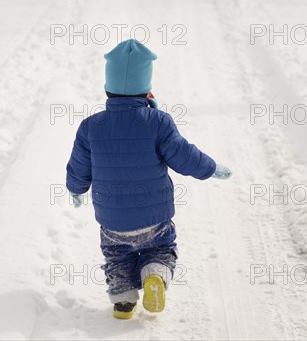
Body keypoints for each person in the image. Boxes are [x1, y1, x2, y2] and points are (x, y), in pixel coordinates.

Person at [66, 39, 232, 319]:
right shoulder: (158, 121)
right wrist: (210, 168)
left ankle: (123, 301)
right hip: (154, 218)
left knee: (117, 257)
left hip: (112, 220)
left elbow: (79, 165)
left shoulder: (90, 126)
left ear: (108, 87)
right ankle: (155, 273)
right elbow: (184, 156)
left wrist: (76, 188)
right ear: (146, 87)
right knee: (160, 249)